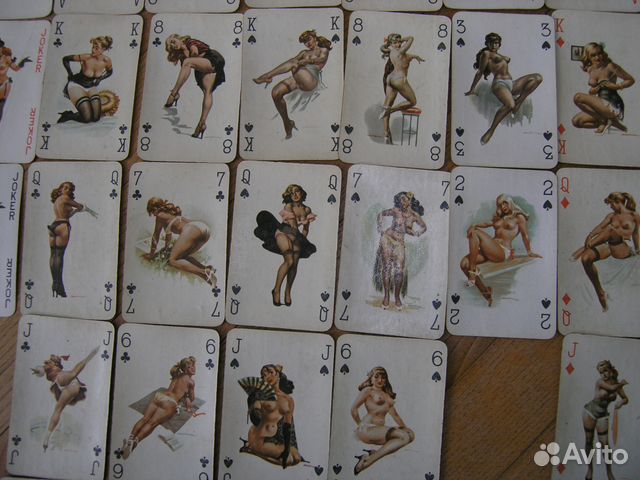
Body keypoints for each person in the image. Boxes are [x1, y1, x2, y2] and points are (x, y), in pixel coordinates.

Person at [460, 194, 542, 306]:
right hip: (491, 251)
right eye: (500, 204)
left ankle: (472, 272)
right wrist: (474, 225)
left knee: (475, 233)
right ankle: (485, 291)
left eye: (505, 203)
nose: (503, 206)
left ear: (510, 202)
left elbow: (525, 235)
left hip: (502, 252)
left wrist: (529, 252)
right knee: (464, 263)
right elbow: (486, 224)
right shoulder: (499, 217)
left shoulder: (519, 217)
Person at [465, 32, 542, 145]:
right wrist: (472, 89)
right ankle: (491, 130)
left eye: (496, 43)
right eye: (491, 43)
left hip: (511, 83)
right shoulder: (486, 54)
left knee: (537, 78)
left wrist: (503, 58)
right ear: (487, 43)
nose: (494, 45)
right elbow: (480, 72)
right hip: (499, 84)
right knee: (510, 105)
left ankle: (518, 102)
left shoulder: (498, 55)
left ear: (499, 44)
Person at [253, 30, 332, 139]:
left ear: (314, 37)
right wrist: (299, 62)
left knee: (294, 63)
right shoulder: (304, 53)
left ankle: (267, 76)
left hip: (311, 80)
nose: (308, 43)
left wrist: (307, 62)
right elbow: (292, 61)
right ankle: (287, 122)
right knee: (275, 93)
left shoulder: (323, 49)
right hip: (299, 78)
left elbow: (322, 58)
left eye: (309, 39)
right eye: (305, 42)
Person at [571, 192, 640, 312]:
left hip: (622, 250)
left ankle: (584, 247)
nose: (610, 207)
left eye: (611, 204)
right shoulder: (611, 216)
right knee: (586, 258)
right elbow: (600, 227)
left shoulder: (634, 215)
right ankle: (600, 293)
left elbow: (635, 234)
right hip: (609, 247)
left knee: (610, 229)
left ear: (618, 202)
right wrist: (590, 235)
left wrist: (638, 250)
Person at [122, 356, 198, 459]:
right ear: (184, 369)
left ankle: (130, 439)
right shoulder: (191, 382)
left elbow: (172, 389)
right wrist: (187, 397)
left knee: (145, 418)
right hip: (170, 402)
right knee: (152, 423)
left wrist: (184, 396)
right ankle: (135, 442)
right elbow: (192, 398)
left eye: (193, 366)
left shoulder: (177, 375)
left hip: (160, 397)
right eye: (189, 367)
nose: (193, 368)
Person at [254, 184, 316, 307]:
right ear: (289, 196)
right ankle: (276, 290)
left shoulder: (307, 210)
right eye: (291, 193)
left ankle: (288, 292)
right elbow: (293, 226)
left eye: (297, 191)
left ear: (301, 192)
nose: (295, 195)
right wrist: (300, 237)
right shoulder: (289, 206)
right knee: (289, 261)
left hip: (296, 237)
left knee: (294, 265)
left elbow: (306, 229)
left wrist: (303, 240)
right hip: (283, 233)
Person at [31, 347, 99, 451]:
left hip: (67, 386)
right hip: (65, 385)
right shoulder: (53, 371)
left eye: (50, 361)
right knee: (58, 409)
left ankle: (47, 438)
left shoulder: (57, 373)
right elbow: (42, 370)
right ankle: (47, 437)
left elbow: (72, 373)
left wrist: (89, 357)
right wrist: (90, 356)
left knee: (58, 409)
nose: (48, 362)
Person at [351, 367, 414, 475]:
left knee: (410, 435)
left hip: (380, 431)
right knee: (404, 437)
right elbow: (354, 409)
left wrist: (404, 427)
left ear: (386, 380)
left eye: (383, 378)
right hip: (368, 429)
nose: (380, 380)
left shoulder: (386, 395)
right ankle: (367, 462)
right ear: (371, 379)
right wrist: (360, 424)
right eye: (376, 377)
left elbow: (395, 415)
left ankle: (372, 455)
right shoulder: (368, 391)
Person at [143, 197, 216, 287]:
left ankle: (204, 273)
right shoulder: (170, 214)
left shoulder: (160, 216)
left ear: (154, 209)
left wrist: (151, 254)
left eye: (152, 212)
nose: (153, 215)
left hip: (192, 229)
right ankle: (206, 269)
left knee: (173, 260)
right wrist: (166, 248)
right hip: (203, 229)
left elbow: (156, 235)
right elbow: (168, 236)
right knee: (182, 256)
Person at [163, 34, 226, 139]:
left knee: (188, 62)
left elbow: (195, 52)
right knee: (207, 92)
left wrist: (189, 59)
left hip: (212, 58)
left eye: (173, 41)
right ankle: (202, 124)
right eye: (171, 46)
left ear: (178, 38)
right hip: (204, 67)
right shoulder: (182, 56)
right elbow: (184, 71)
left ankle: (174, 93)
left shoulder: (189, 42)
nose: (173, 45)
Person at [241, 364, 303, 469]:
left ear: (278, 374)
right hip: (259, 437)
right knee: (289, 460)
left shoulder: (288, 400)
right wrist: (254, 406)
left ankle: (253, 448)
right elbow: (255, 420)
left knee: (297, 458)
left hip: (274, 439)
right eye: (263, 375)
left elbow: (287, 426)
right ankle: (251, 449)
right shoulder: (260, 396)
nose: (267, 375)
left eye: (270, 372)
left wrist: (287, 449)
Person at [373, 192, 426, 310]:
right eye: (401, 200)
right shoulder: (396, 211)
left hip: (399, 243)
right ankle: (386, 296)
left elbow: (424, 227)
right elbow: (381, 214)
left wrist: (417, 232)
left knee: (399, 271)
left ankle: (397, 297)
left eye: (404, 199)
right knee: (386, 267)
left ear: (410, 201)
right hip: (387, 238)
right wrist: (380, 227)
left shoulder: (414, 216)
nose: (402, 202)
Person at [572, 42, 635, 134]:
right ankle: (607, 121)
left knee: (578, 97)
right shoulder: (591, 69)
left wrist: (616, 86)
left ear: (603, 53)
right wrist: (594, 90)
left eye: (599, 53)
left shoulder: (610, 66)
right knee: (576, 121)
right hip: (600, 105)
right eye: (593, 55)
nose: (597, 57)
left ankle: (605, 120)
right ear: (588, 57)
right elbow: (591, 92)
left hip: (613, 105)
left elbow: (630, 80)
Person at [582, 360, 629, 480]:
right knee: (589, 440)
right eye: (601, 372)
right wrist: (621, 384)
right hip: (590, 412)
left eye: (605, 371)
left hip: (603, 415)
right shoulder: (600, 382)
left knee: (605, 445)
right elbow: (612, 388)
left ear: (610, 370)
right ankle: (589, 470)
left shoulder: (616, 384)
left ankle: (609, 472)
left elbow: (625, 398)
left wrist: (621, 402)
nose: (603, 374)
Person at [48, 182, 96, 298]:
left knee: (53, 254)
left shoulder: (58, 200)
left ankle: (55, 283)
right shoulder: (65, 198)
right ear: (60, 189)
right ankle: (59, 285)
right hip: (62, 226)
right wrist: (83, 208)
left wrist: (76, 211)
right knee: (59, 255)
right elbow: (79, 206)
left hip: (53, 226)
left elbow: (67, 214)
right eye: (66, 188)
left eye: (70, 189)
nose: (68, 191)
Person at [378, 34, 424, 144]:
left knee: (387, 105)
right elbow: (411, 38)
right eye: (395, 42)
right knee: (413, 101)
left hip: (390, 79)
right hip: (399, 80)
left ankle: (386, 135)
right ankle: (390, 110)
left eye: (399, 42)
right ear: (391, 44)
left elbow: (406, 56)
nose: (398, 44)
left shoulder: (393, 52)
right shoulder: (400, 52)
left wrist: (415, 56)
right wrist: (401, 39)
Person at [58, 36, 115, 124]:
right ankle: (68, 115)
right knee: (87, 118)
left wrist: (100, 79)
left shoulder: (106, 61)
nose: (93, 50)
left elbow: (110, 72)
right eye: (93, 47)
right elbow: (65, 59)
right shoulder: (86, 57)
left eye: (96, 48)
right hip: (76, 84)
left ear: (103, 49)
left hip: (90, 86)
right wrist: (70, 74)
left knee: (96, 118)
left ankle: (81, 112)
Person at [0, 38, 31, 124]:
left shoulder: (6, 58)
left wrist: (22, 62)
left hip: (3, 85)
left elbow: (16, 68)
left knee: (0, 106)